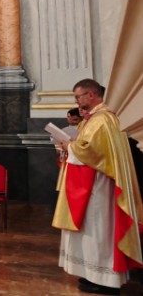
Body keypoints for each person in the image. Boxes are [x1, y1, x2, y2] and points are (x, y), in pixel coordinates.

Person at [54, 79, 143, 293]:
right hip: (92, 183)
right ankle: (92, 275)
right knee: (91, 231)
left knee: (99, 231)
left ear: (91, 95)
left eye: (78, 96)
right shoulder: (93, 119)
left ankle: (106, 280)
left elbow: (93, 152)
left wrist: (70, 146)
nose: (77, 101)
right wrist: (70, 146)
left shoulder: (103, 119)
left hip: (100, 186)